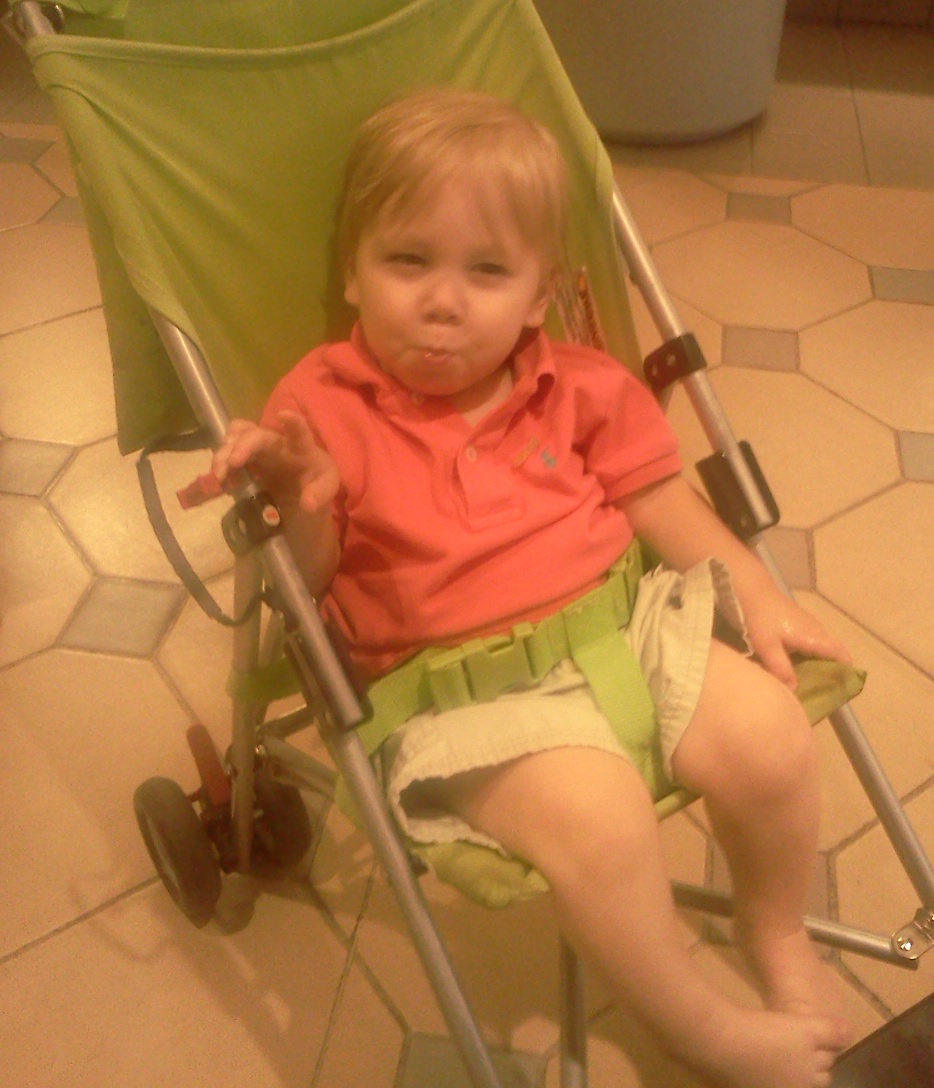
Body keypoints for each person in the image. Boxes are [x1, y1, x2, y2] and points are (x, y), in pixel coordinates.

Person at [205, 87, 854, 1088]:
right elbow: (311, 585)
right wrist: (299, 499)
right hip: (461, 695)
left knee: (771, 736)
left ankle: (778, 933)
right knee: (603, 819)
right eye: (407, 260)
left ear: (541, 292)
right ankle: (699, 1027)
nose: (444, 300)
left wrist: (758, 592)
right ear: (353, 272)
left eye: (487, 271)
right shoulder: (320, 405)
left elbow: (660, 503)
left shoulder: (581, 383)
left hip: (623, 624)